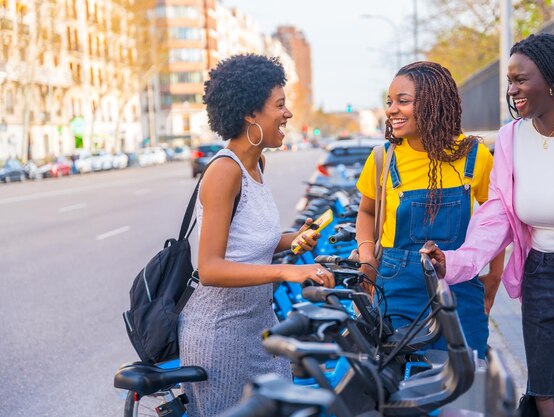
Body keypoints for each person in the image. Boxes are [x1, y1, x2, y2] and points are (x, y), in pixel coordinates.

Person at [421, 33, 554, 417]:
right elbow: (497, 212)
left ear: (552, 79)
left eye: (521, 80)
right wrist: (457, 261)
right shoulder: (512, 137)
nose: (512, 90)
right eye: (509, 81)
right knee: (551, 403)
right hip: (542, 278)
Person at [178, 54, 335, 417]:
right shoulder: (224, 172)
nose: (288, 114)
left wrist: (292, 238)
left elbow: (247, 241)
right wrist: (286, 271)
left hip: (259, 327)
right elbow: (211, 268)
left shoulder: (258, 164)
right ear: (251, 113)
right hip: (221, 336)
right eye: (280, 105)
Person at [355, 61, 504, 360]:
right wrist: (368, 258)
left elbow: (496, 221)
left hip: (460, 290)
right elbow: (367, 212)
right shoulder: (383, 158)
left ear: (434, 104)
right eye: (389, 102)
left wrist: (493, 276)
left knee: (466, 381)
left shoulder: (476, 157)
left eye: (403, 101)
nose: (392, 110)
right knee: (401, 385)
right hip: (397, 288)